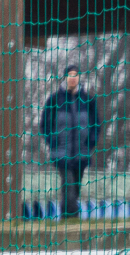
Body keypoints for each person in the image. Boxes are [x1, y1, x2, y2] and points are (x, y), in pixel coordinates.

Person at [39, 65, 100, 220]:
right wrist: (52, 141)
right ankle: (71, 216)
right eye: (70, 75)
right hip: (61, 151)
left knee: (76, 185)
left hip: (81, 151)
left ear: (79, 78)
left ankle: (67, 214)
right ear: (65, 77)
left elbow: (96, 124)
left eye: (75, 75)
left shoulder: (88, 100)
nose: (73, 78)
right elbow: (45, 124)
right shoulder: (54, 100)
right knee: (68, 183)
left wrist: (91, 141)